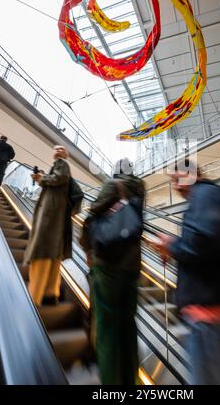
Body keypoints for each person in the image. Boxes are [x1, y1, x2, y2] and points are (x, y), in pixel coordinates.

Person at [152, 158, 220, 385]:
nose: (176, 186)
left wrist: (171, 245)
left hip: (214, 328)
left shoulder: (205, 197)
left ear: (192, 174)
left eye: (177, 179)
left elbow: (202, 247)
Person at [80, 158, 145, 385]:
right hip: (132, 267)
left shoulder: (112, 186)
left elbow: (91, 218)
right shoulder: (139, 189)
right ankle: (131, 381)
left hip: (108, 266)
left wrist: (88, 249)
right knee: (127, 325)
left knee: (107, 328)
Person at [24, 145, 72, 306]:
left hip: (50, 215)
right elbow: (58, 181)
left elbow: (60, 178)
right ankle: (50, 294)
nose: (58, 150)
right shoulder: (59, 166)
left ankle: (34, 297)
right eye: (56, 149)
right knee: (52, 255)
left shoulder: (61, 163)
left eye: (61, 149)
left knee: (41, 252)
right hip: (55, 216)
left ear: (66, 154)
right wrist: (43, 178)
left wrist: (41, 179)